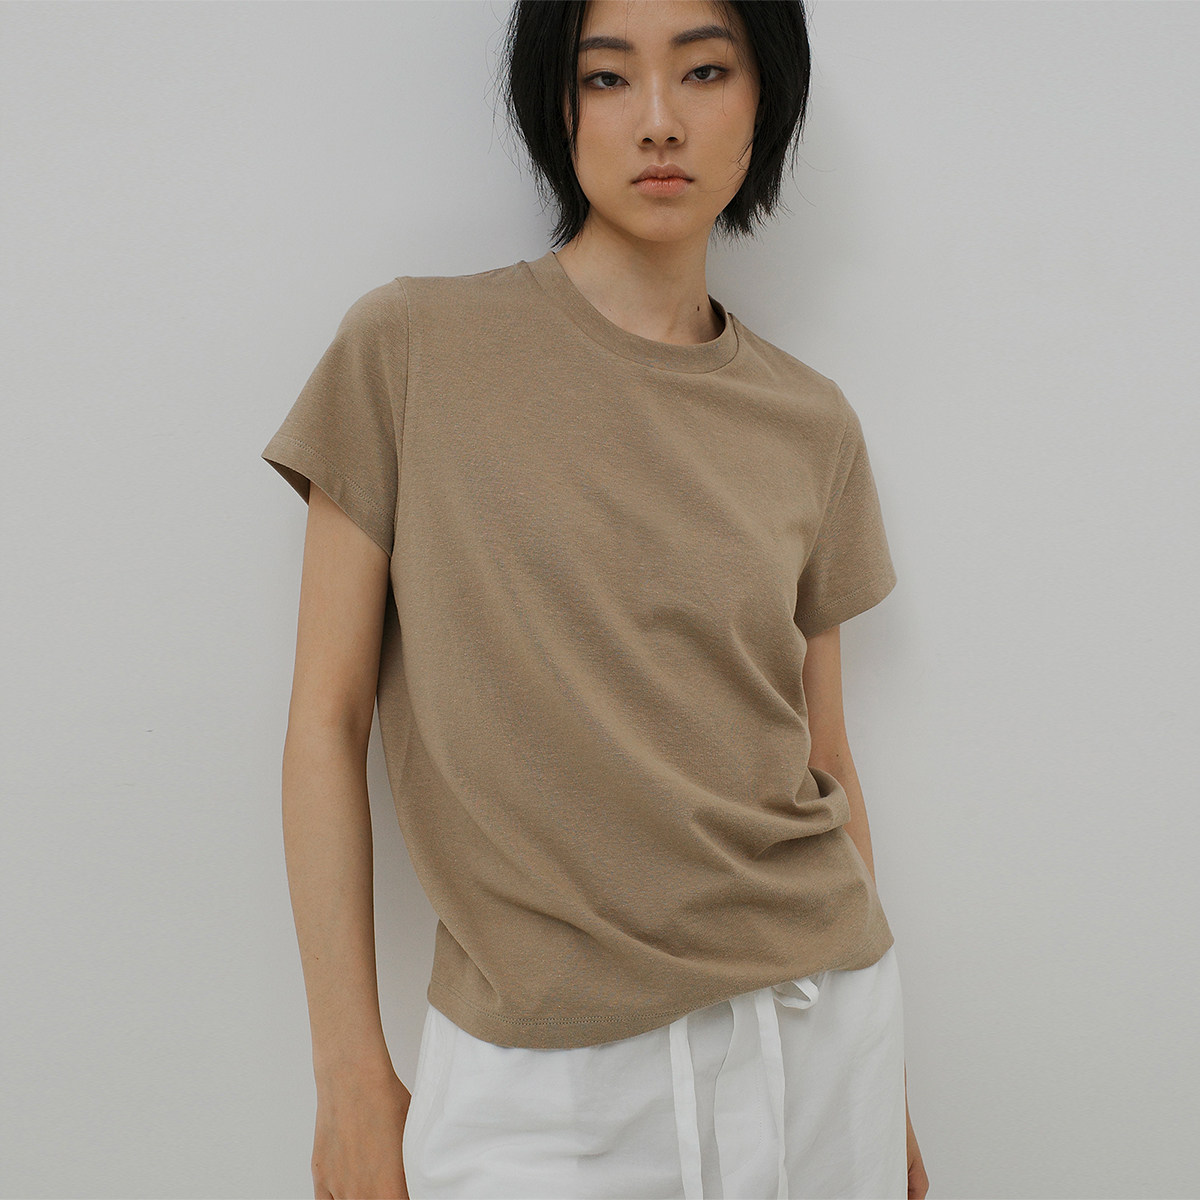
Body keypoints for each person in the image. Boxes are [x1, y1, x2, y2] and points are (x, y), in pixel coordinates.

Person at [261, 1, 929, 1197]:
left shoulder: (810, 421)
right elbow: (325, 720)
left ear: (765, 100)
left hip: (823, 1034)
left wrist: (893, 1101)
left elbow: (828, 759)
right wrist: (349, 1077)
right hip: (543, 1083)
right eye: (607, 78)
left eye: (705, 72)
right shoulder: (410, 348)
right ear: (556, 108)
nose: (658, 121)